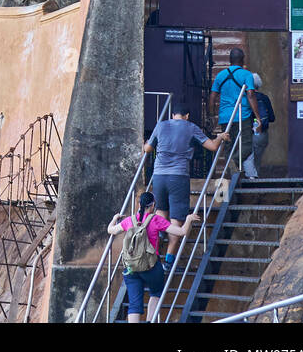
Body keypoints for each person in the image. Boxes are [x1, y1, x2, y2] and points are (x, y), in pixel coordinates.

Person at [144, 102, 230, 268]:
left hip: (159, 175)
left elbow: (147, 149)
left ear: (172, 115)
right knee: (176, 220)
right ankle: (168, 260)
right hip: (178, 177)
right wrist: (220, 137)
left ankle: (158, 243)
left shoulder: (161, 126)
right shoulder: (190, 127)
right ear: (187, 116)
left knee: (161, 210)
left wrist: (144, 144)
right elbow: (212, 147)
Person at [106, 191, 196, 323]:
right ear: (153, 205)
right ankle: (150, 321)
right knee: (155, 294)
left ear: (139, 204)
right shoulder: (156, 220)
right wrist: (188, 219)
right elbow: (182, 232)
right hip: (151, 267)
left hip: (131, 268)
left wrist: (115, 218)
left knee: (134, 304)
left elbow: (110, 230)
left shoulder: (129, 220)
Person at [209, 47, 263, 178]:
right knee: (247, 145)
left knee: (228, 147)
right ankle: (234, 162)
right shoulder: (246, 75)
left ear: (229, 60)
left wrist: (211, 116)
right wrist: (258, 118)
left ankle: (232, 177)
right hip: (241, 116)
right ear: (243, 59)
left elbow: (212, 97)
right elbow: (250, 94)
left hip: (224, 117)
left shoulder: (220, 75)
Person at [250, 73, 276, 178]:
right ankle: (254, 180)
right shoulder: (264, 98)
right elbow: (272, 118)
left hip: (247, 131)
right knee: (257, 160)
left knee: (246, 156)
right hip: (261, 133)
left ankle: (247, 178)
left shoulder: (246, 98)